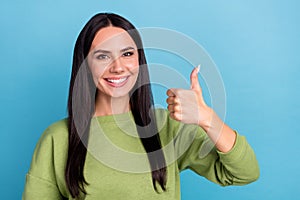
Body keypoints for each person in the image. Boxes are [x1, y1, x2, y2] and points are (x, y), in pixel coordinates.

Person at [22, 13, 259, 200]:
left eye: (127, 53)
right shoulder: (58, 138)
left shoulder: (168, 127)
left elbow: (245, 173)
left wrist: (208, 119)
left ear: (139, 60)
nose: (118, 67)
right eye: (103, 56)